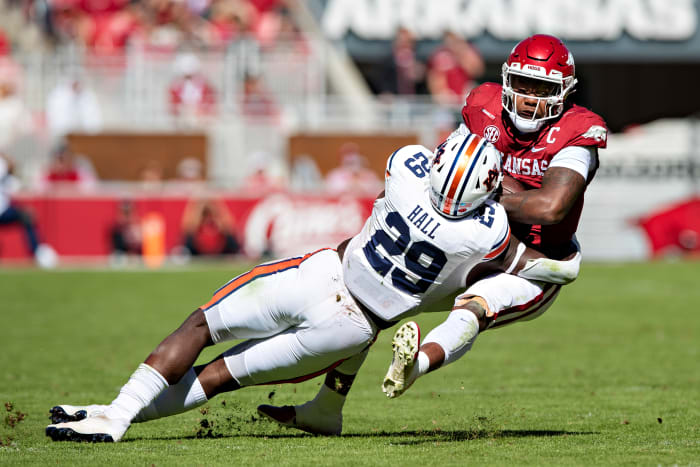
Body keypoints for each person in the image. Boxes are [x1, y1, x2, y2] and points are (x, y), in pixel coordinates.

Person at [45, 133, 539, 442]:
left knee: (201, 325)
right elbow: (501, 222)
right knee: (218, 376)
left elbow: (426, 156)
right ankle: (114, 416)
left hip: (322, 276)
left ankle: (117, 414)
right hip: (351, 331)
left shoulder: (408, 168)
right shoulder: (485, 231)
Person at [260, 34, 607, 429]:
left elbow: (550, 207)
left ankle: (416, 366)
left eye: (542, 88)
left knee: (474, 307)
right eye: (523, 85)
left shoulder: (578, 133)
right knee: (372, 297)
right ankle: (326, 408)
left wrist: (481, 193)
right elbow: (445, 171)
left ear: (564, 93)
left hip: (533, 262)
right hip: (471, 246)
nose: (529, 98)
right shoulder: (484, 106)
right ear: (507, 80)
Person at [0, 153, 57, 268]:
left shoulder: (7, 176)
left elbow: (14, 184)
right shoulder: (2, 165)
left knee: (26, 216)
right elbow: (10, 165)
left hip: (4, 211)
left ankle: (37, 252)